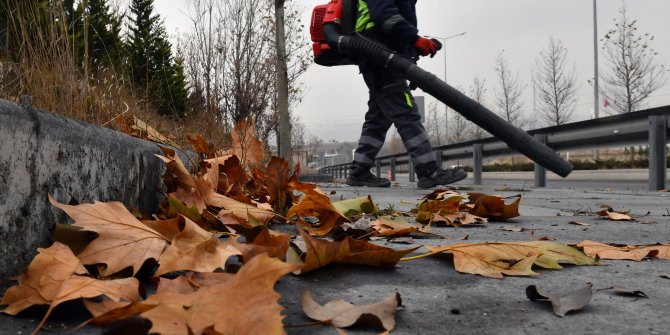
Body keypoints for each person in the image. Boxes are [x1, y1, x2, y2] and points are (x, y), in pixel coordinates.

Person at [345, 0, 467, 189]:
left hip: (378, 56)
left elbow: (391, 28)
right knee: (406, 113)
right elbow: (385, 18)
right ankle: (429, 171)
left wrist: (414, 47)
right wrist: (415, 39)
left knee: (379, 118)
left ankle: (359, 170)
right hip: (380, 57)